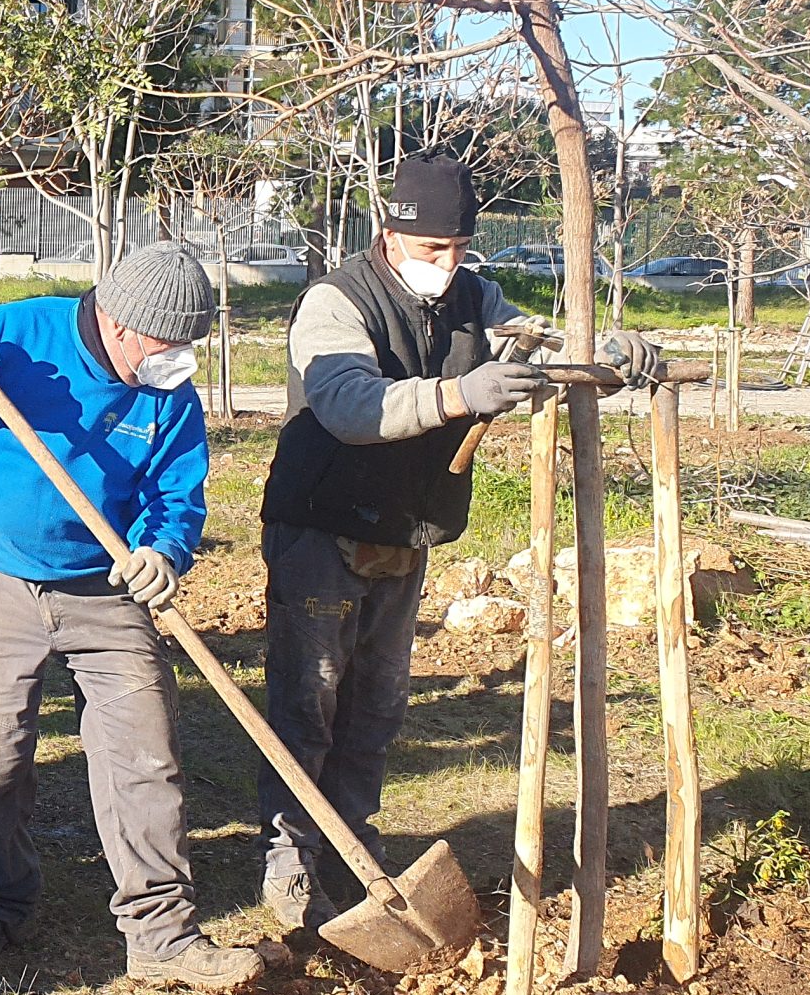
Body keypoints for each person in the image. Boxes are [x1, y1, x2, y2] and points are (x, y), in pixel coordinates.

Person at [257, 156, 659, 932]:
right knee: (311, 701)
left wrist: (610, 354)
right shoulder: (335, 301)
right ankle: (291, 860)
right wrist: (457, 396)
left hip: (408, 527)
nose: (448, 266)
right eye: (431, 250)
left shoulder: (477, 297)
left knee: (376, 706)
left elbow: (536, 349)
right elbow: (347, 404)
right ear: (391, 234)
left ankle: (355, 849)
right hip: (321, 524)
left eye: (459, 249)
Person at [0, 242, 267, 994]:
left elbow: (176, 496)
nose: (177, 362)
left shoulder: (167, 394)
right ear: (122, 325)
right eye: (167, 346)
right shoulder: (16, 337)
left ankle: (161, 934)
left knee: (145, 752)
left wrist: (163, 553)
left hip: (106, 589)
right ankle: (1, 903)